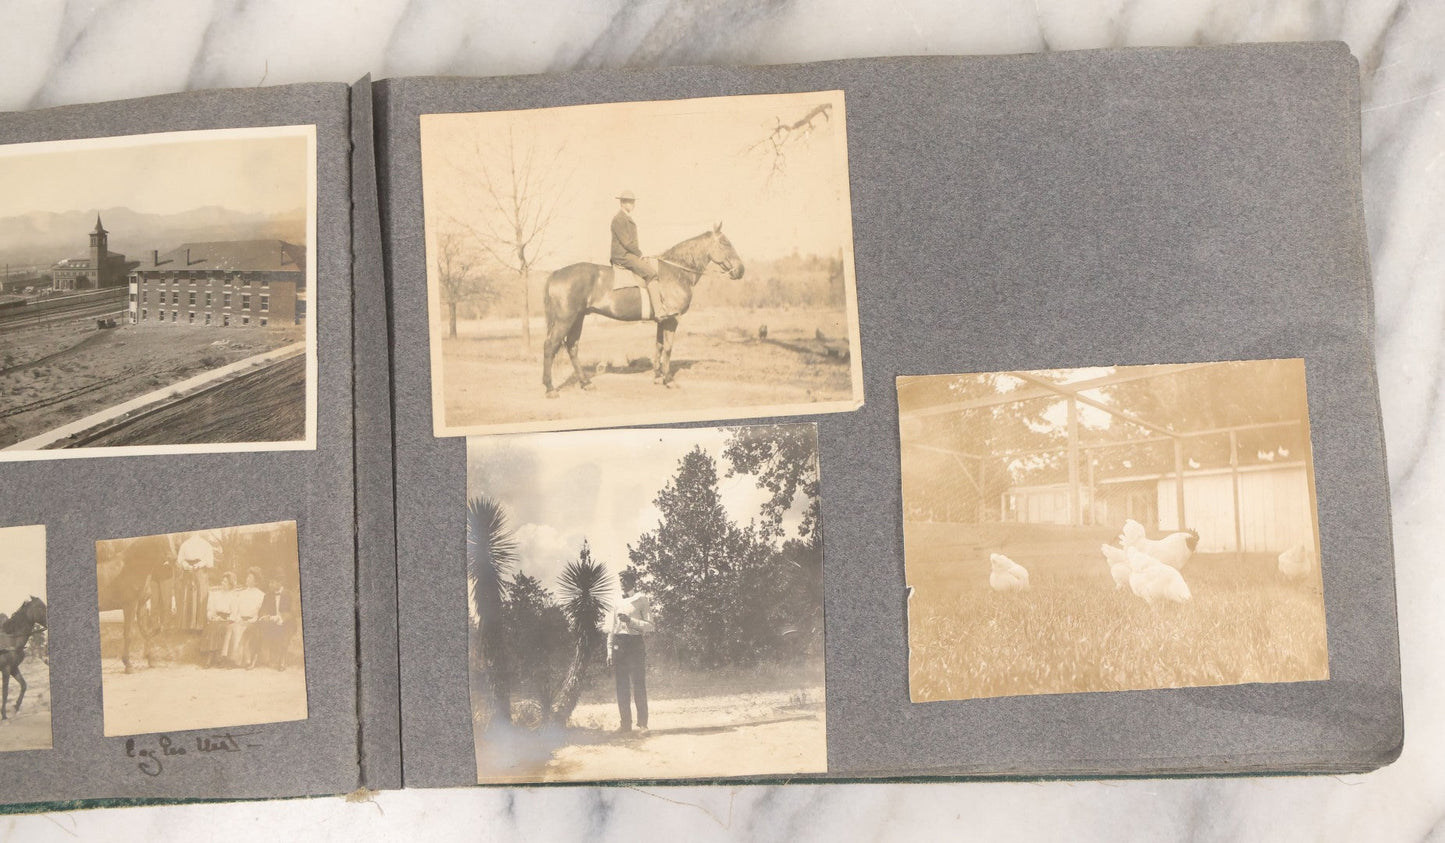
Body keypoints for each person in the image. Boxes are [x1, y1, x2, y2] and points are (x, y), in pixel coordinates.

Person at [610, 190, 673, 319]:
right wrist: (639, 254)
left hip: (628, 254)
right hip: (622, 255)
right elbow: (627, 242)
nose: (632, 204)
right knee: (651, 274)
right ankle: (659, 311)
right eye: (629, 202)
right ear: (622, 203)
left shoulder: (626, 218)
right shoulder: (619, 219)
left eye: (633, 202)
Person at [606, 590, 654, 733]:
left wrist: (630, 621)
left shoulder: (641, 599)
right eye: (622, 580)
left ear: (633, 581)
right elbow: (611, 629)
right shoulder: (616, 601)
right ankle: (625, 724)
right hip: (619, 644)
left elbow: (650, 626)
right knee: (621, 685)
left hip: (635, 643)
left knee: (638, 684)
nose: (623, 583)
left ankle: (643, 725)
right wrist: (609, 651)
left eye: (626, 579)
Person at [223, 568, 266, 669]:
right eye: (247, 577)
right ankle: (232, 660)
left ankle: (245, 661)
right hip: (240, 619)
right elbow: (236, 607)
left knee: (243, 630)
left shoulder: (261, 595)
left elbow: (260, 610)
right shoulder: (242, 593)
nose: (247, 579)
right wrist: (238, 618)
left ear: (256, 581)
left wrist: (253, 619)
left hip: (252, 620)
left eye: (250, 578)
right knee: (233, 628)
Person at [174, 533, 215, 634]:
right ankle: (187, 626)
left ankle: (200, 626)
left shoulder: (206, 544)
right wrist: (186, 565)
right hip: (187, 572)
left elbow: (209, 561)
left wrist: (200, 564)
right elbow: (180, 560)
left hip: (201, 572)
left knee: (200, 596)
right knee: (187, 597)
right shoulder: (185, 544)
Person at [255, 575, 297, 670]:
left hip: (287, 622)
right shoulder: (268, 595)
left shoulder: (289, 594)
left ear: (280, 582)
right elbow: (263, 610)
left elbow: (293, 611)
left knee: (286, 630)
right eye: (270, 582)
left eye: (272, 582)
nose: (270, 584)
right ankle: (264, 657)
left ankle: (282, 659)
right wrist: (266, 616)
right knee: (262, 626)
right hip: (272, 621)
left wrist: (281, 618)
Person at [201, 572, 236, 668]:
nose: (222, 583)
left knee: (220, 627)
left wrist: (225, 619)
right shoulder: (215, 594)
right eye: (223, 581)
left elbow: (234, 613)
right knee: (213, 625)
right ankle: (211, 656)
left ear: (230, 585)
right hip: (216, 618)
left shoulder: (233, 597)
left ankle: (218, 657)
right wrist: (212, 616)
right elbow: (210, 609)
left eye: (226, 582)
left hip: (227, 619)